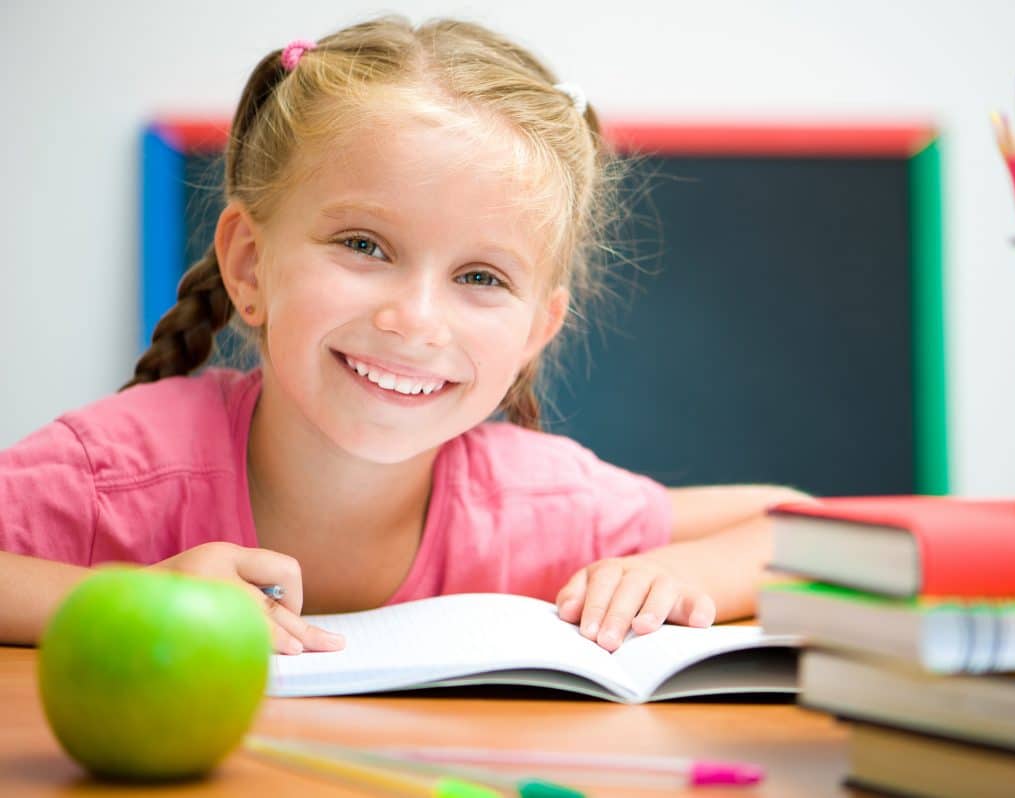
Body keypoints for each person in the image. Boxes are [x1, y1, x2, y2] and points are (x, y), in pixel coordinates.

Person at [0, 16, 805, 655]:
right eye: (364, 246)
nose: (415, 320)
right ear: (249, 265)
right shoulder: (122, 475)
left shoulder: (536, 502)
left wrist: (670, 573)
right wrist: (128, 601)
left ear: (536, 329)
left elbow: (803, 526)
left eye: (481, 278)